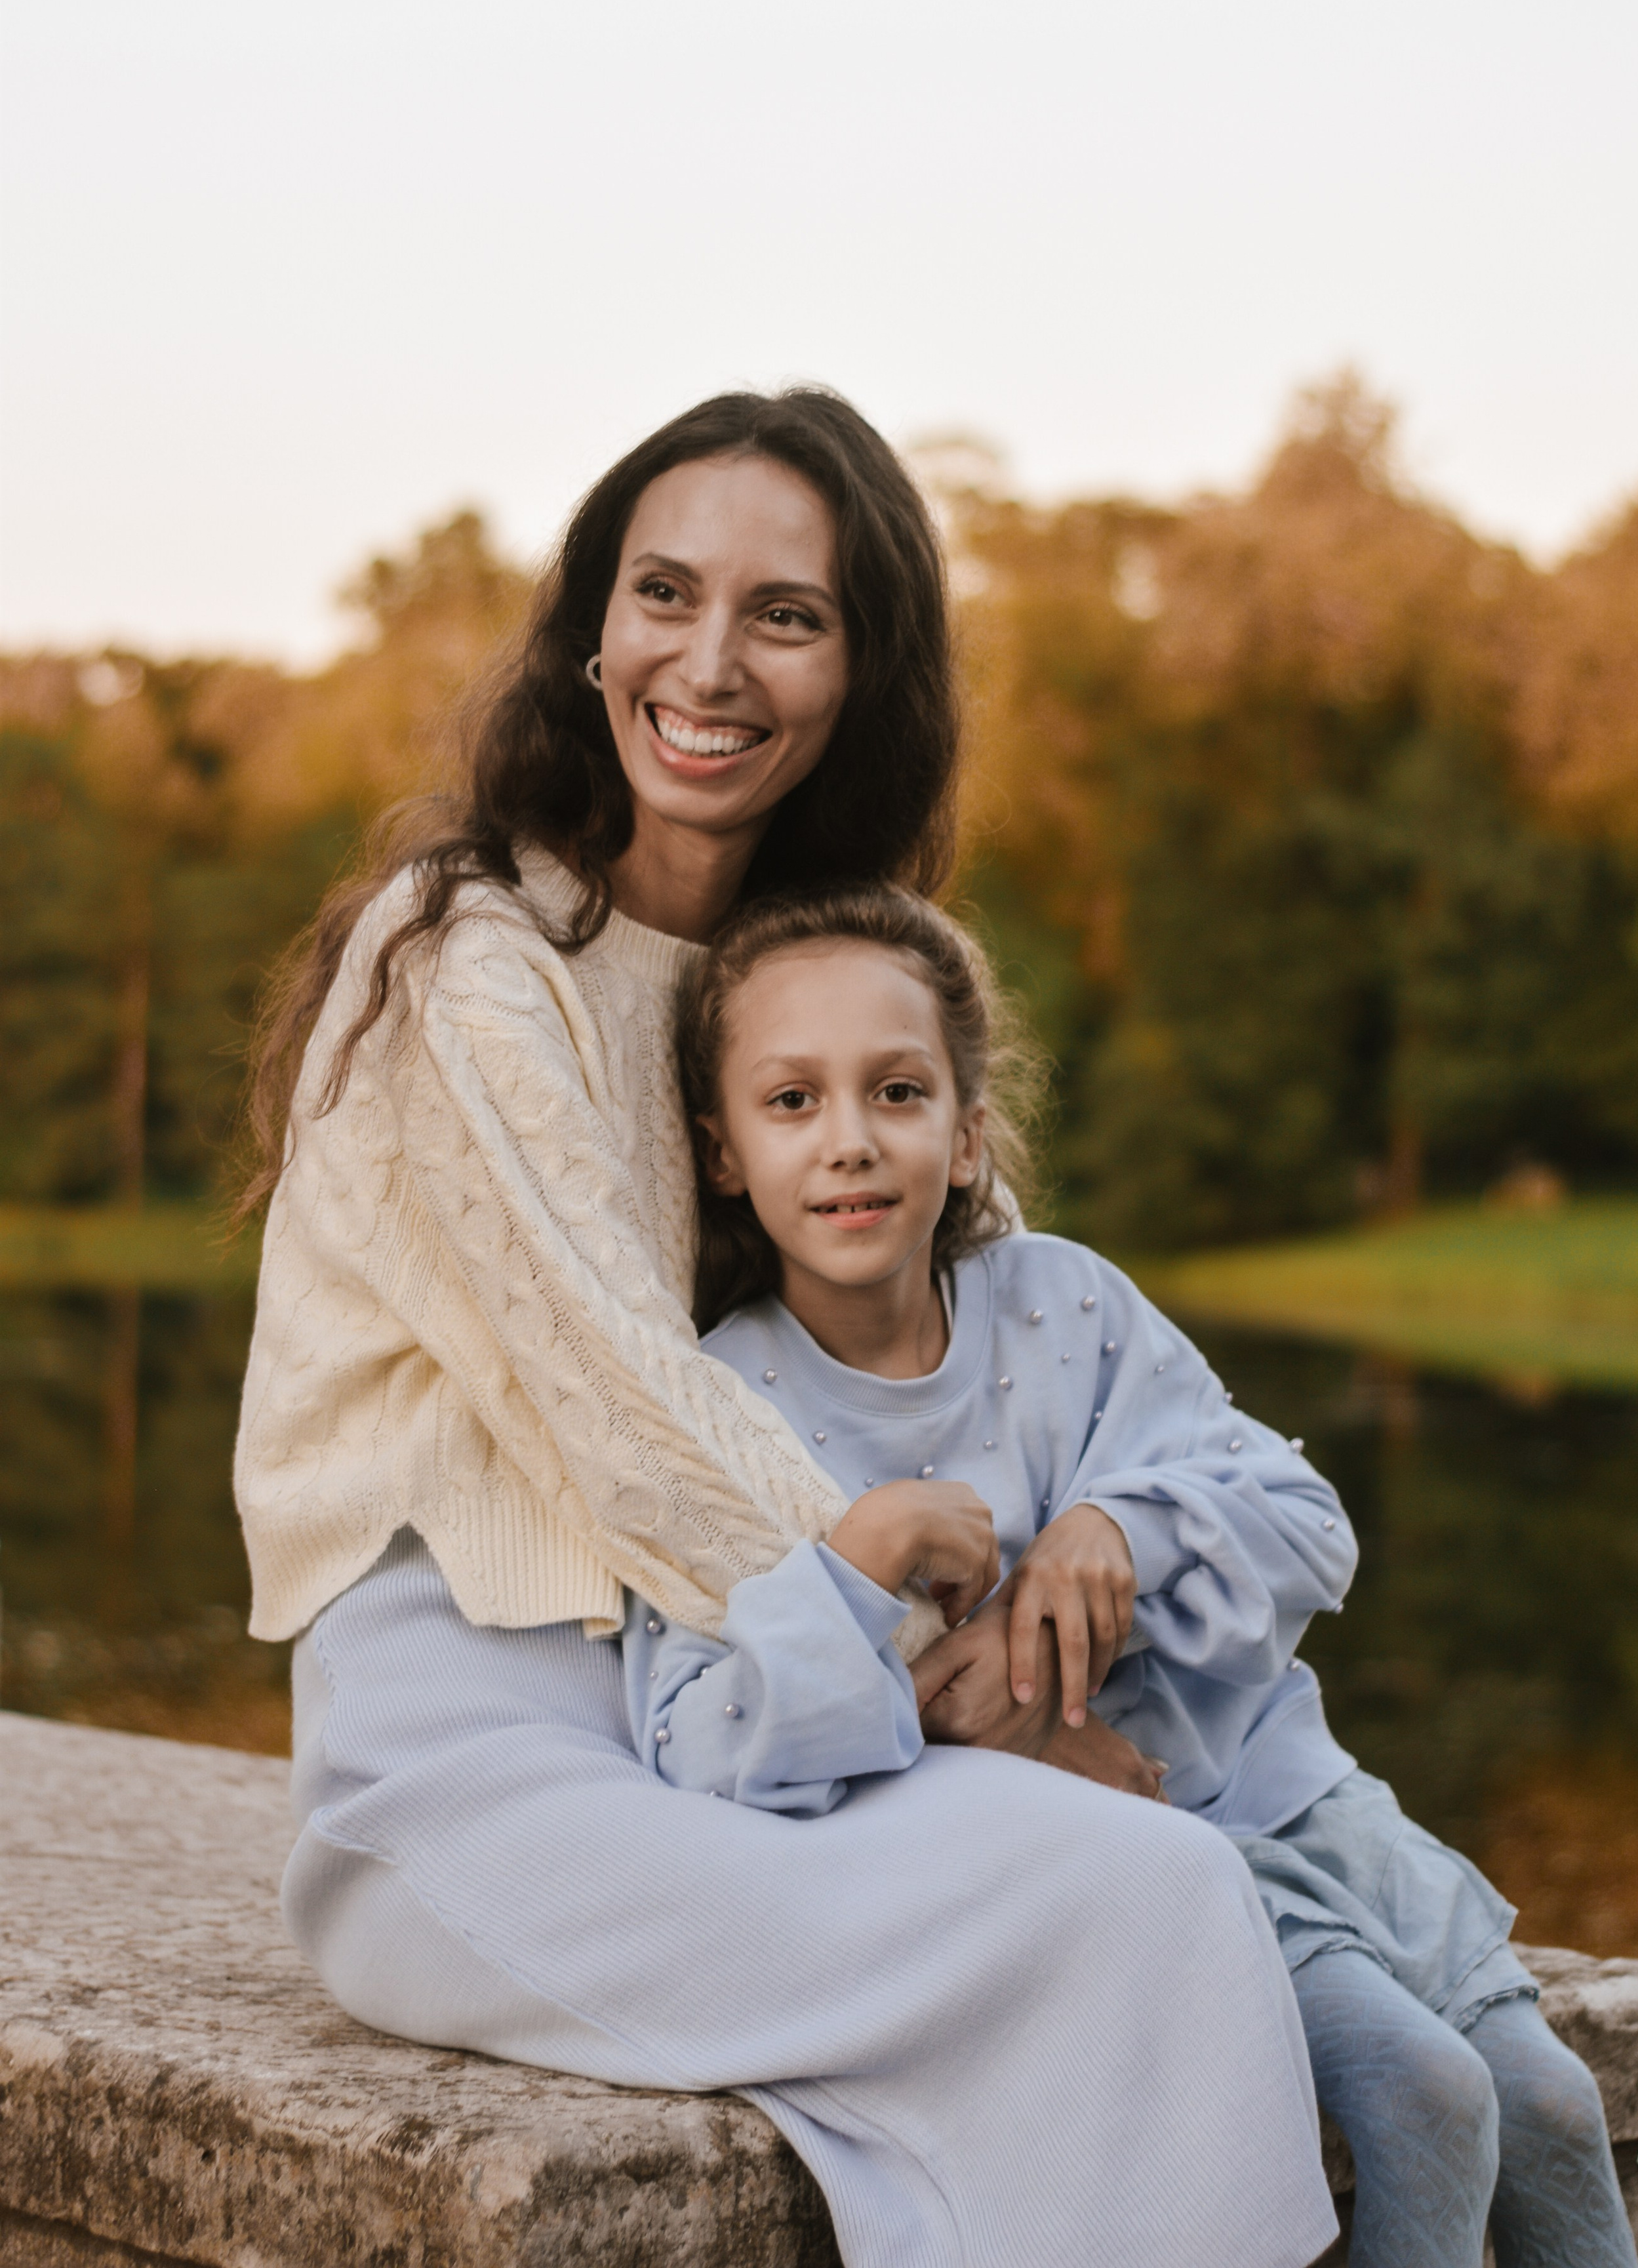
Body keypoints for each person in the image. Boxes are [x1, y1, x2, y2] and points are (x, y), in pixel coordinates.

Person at [235, 387, 1340, 2268]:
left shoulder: (814, 985)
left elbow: (992, 1364)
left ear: (859, 671)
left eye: (788, 615)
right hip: (487, 1761)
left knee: (1160, 1895)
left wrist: (1070, 1597)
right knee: (1136, 1906)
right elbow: (618, 1400)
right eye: (664, 593)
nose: (711, 661)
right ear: (592, 633)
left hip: (771, 1715)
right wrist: (944, 1662)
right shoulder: (467, 954)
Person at [648, 880, 1638, 2268]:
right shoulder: (720, 1407)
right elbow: (697, 1749)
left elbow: (1305, 1522)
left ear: (967, 1127)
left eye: (896, 1091)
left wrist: (1117, 1525)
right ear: (719, 1151)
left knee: (1545, 2100)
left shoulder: (1066, 1306)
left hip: (1296, 1797)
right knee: (1425, 2100)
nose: (852, 1143)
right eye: (792, 1102)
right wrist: (865, 1593)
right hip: (1159, 1866)